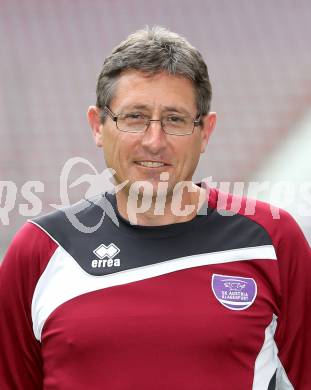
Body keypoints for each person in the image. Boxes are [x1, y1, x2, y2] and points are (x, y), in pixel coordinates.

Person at [0, 26, 310, 390]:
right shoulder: (40, 251)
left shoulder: (272, 241)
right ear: (97, 126)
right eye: (134, 117)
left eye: (175, 120)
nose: (154, 141)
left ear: (205, 131)